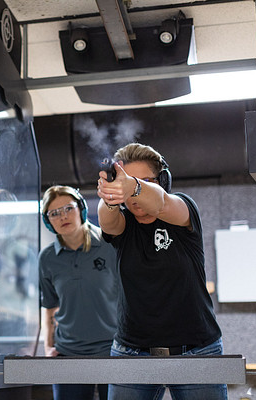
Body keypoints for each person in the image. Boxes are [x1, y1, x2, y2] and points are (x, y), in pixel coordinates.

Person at [96, 143, 227, 400]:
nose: (134, 195)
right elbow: (108, 220)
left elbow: (160, 202)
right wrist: (110, 198)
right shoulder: (125, 224)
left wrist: (132, 185)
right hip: (131, 351)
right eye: (127, 185)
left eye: (144, 181)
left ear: (162, 181)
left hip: (197, 350)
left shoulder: (181, 209)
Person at [39, 185, 119, 400]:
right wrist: (49, 347)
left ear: (81, 209)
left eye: (68, 208)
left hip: (112, 351)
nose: (62, 216)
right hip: (68, 354)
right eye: (54, 213)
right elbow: (49, 308)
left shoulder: (109, 244)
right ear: (48, 221)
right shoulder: (47, 258)